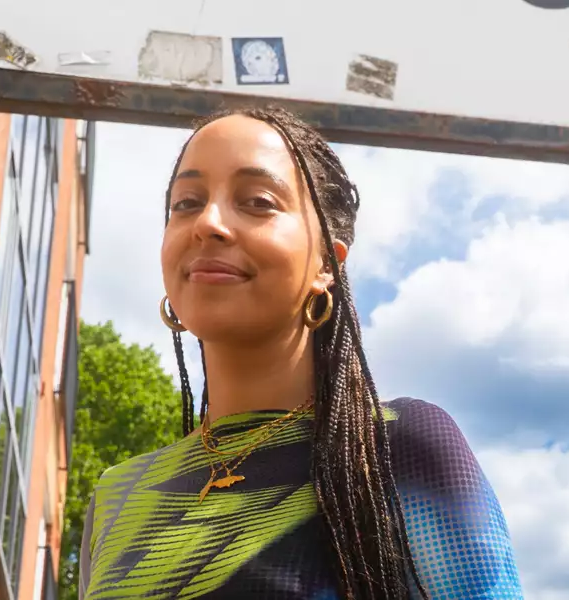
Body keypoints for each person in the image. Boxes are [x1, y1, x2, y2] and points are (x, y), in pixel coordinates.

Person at [78, 106, 524, 599]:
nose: (208, 223)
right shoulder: (117, 495)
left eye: (258, 201)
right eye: (186, 202)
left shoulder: (399, 449)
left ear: (325, 263)